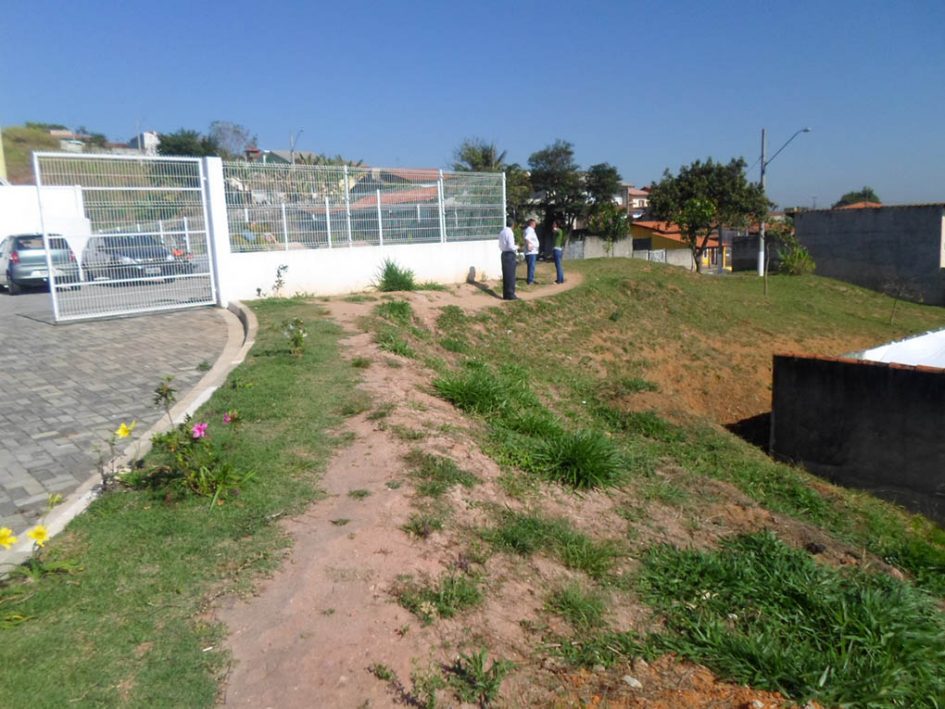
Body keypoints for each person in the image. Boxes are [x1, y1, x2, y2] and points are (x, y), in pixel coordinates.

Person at [498, 219, 518, 300]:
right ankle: (510, 294)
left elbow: (500, 245)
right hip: (510, 254)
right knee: (511, 275)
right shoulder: (509, 232)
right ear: (512, 225)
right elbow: (511, 246)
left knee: (506, 275)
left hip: (503, 254)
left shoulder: (502, 232)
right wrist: (517, 247)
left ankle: (505, 294)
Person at [523, 218, 539, 284]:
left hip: (531, 252)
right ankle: (530, 280)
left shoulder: (528, 230)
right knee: (531, 266)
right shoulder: (530, 230)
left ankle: (531, 279)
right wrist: (529, 245)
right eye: (535, 224)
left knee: (531, 266)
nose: (535, 225)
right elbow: (527, 238)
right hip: (531, 252)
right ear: (532, 224)